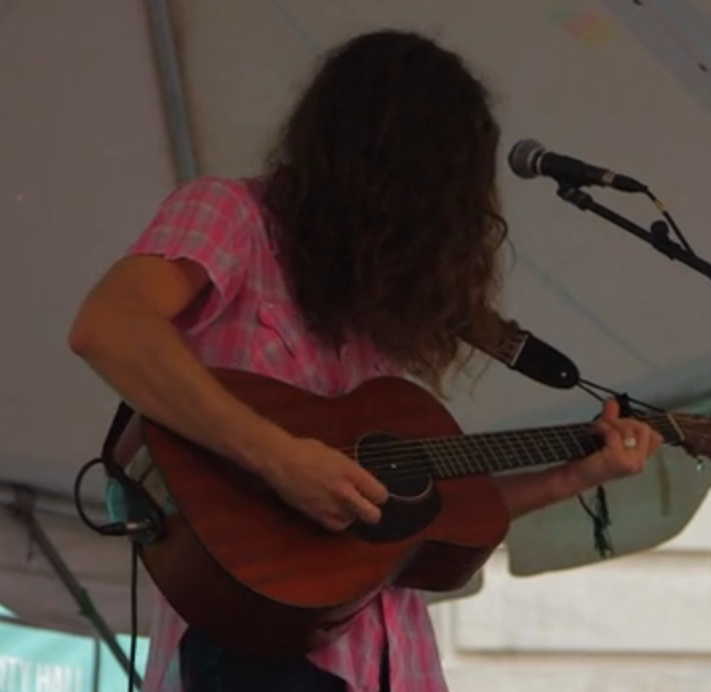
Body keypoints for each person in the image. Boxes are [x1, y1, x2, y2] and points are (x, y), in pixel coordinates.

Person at [67, 28, 661, 692]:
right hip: (250, 653)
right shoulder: (231, 215)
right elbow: (109, 327)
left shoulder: (376, 307)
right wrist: (280, 458)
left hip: (394, 666)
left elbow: (440, 521)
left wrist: (575, 476)